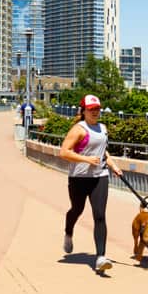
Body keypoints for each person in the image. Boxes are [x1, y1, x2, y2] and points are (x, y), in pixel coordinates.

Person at [58, 94, 122, 274]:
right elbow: (63, 152)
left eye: (97, 109)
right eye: (91, 109)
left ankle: (100, 257)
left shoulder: (103, 128)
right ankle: (68, 232)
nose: (95, 112)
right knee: (76, 210)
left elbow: (103, 152)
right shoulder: (78, 129)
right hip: (78, 178)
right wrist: (85, 159)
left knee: (100, 215)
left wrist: (113, 166)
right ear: (83, 110)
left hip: (99, 176)